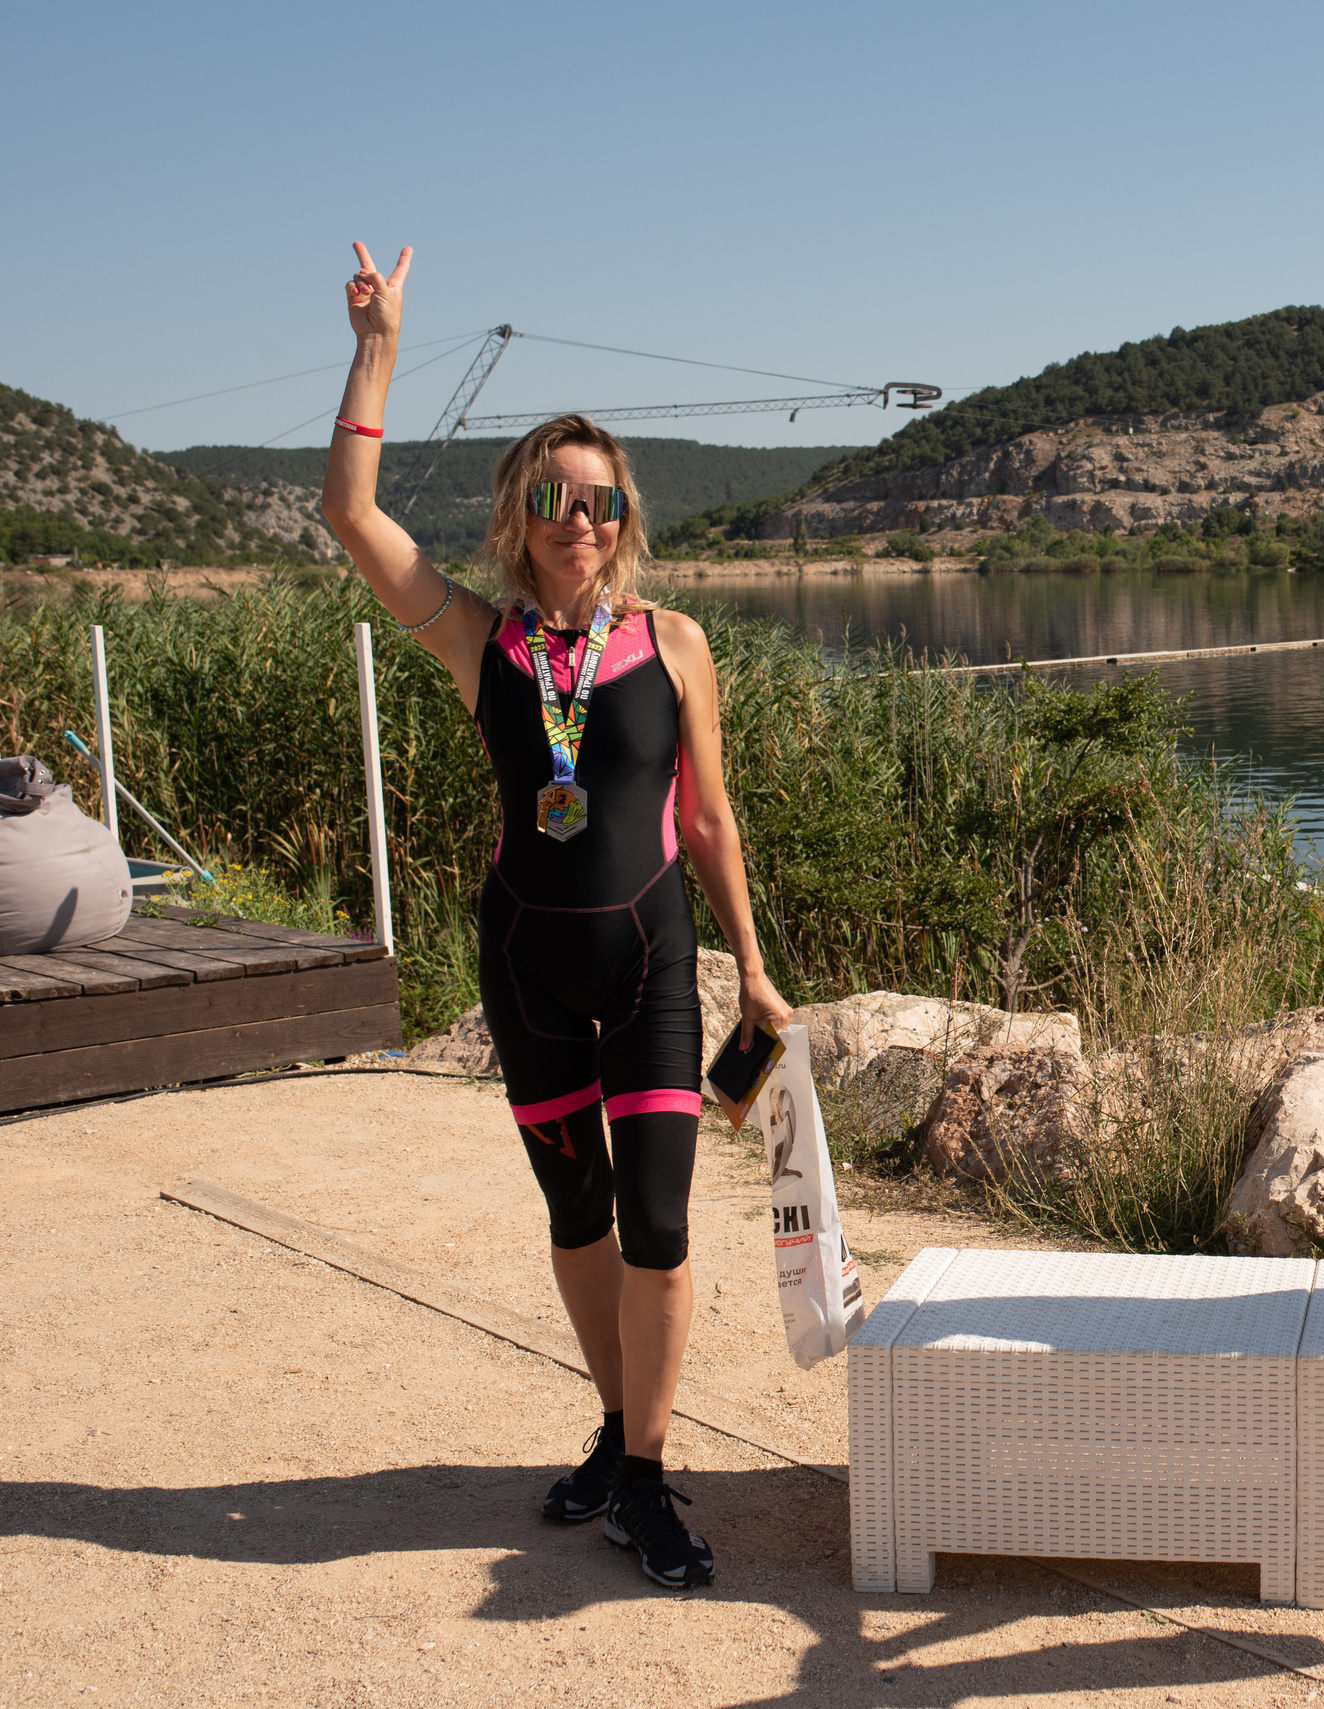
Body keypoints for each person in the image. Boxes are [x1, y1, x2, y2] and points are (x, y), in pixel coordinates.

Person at [320, 241, 793, 1590]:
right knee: (575, 1216)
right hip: (524, 966)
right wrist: (378, 350)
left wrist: (755, 972)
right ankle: (617, 1425)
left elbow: (707, 818)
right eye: (552, 494)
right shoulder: (483, 640)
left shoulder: (677, 643)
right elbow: (353, 516)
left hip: (651, 961)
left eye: (600, 497)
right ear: (521, 512)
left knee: (660, 1219)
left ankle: (644, 1479)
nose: (577, 517)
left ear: (626, 515)